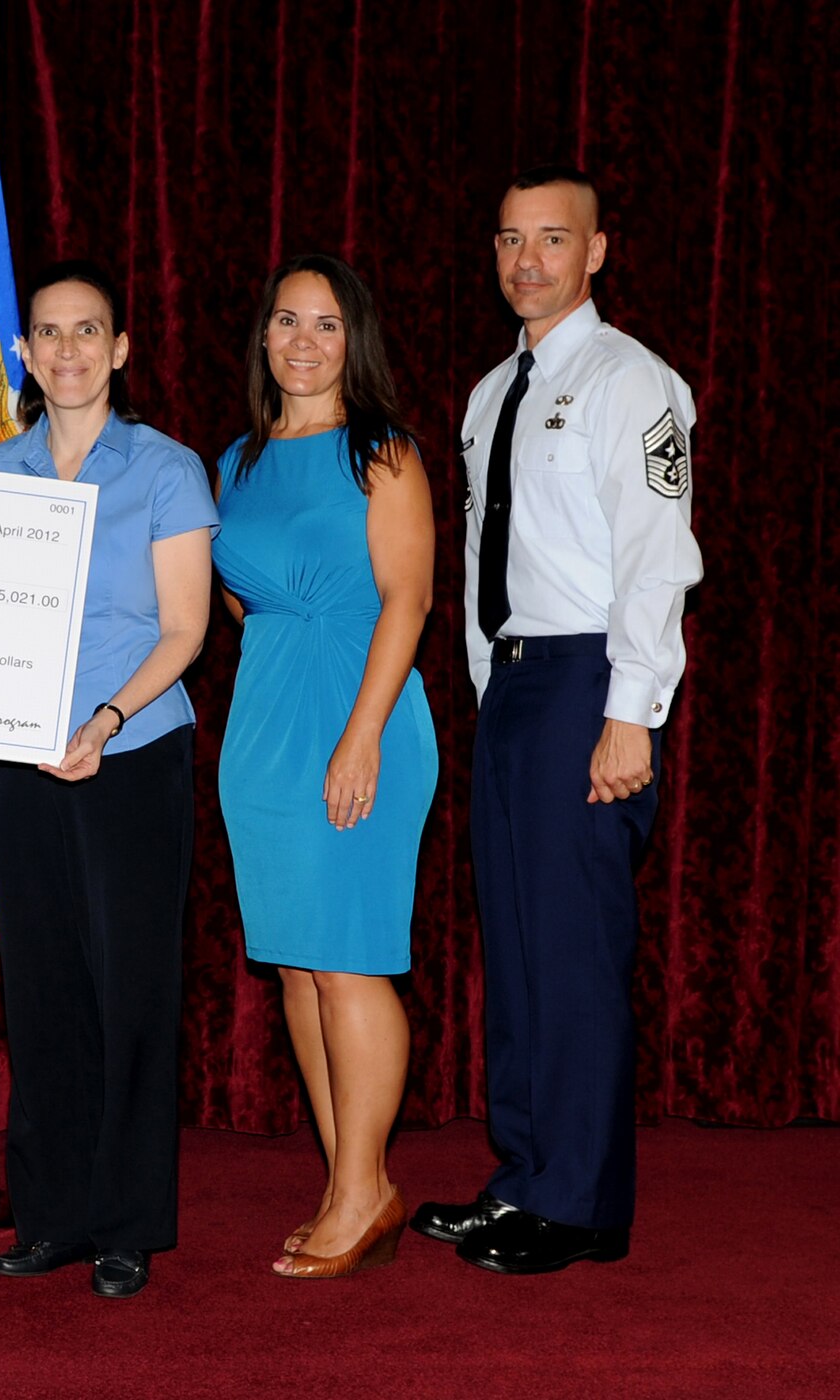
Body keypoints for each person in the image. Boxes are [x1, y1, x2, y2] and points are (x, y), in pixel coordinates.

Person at [411, 166, 703, 1274]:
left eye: (550, 239)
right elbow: (497, 563)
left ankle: (579, 1203)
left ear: (595, 251)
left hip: (591, 680)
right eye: (506, 241)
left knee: (574, 949)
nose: (525, 261)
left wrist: (630, 712)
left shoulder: (633, 383)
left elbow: (652, 558)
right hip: (516, 686)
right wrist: (493, 687)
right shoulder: (493, 391)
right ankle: (522, 1178)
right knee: (519, 944)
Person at [0, 261, 216, 1299]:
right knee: (40, 993)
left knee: (130, 991)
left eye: (87, 331)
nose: (66, 350)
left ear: (119, 348)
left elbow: (184, 629)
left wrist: (105, 720)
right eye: (47, 333)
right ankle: (52, 1215)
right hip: (19, 761)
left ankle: (125, 1222)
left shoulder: (163, 469)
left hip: (131, 753)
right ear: (23, 354)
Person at [214, 254, 437, 1279]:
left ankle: (364, 1187)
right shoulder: (233, 462)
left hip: (362, 716)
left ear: (354, 342)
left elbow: (407, 600)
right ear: (262, 335)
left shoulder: (380, 455)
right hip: (261, 730)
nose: (302, 340)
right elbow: (237, 598)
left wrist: (359, 738)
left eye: (326, 324)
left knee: (347, 955)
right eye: (285, 320)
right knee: (298, 963)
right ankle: (348, 1177)